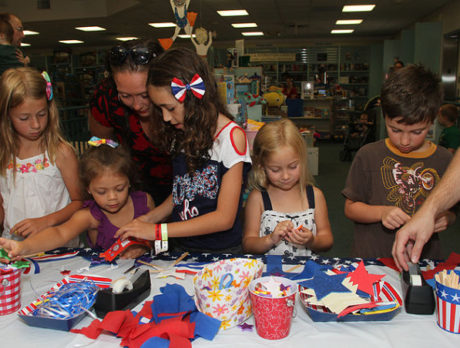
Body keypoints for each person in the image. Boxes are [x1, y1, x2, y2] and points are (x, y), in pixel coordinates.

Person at [115, 47, 252, 254]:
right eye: (159, 109)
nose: (166, 118)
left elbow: (224, 218)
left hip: (220, 252)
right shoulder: (183, 131)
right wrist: (150, 218)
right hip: (183, 245)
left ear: (194, 99)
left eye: (170, 108)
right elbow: (183, 191)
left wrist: (158, 231)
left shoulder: (231, 137)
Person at [342, 64, 455, 259]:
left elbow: (452, 212)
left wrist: (445, 218)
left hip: (423, 259)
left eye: (416, 132)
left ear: (432, 120)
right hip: (373, 258)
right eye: (395, 130)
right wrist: (381, 212)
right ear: (384, 116)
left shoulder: (446, 160)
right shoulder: (368, 155)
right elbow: (351, 208)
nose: (404, 141)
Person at [0, 142, 155, 259]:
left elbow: (160, 239)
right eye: (101, 192)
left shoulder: (145, 201)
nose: (112, 197)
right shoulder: (89, 216)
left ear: (129, 181)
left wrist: (144, 247)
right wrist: (22, 246)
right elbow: (59, 233)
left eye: (120, 188)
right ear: (88, 188)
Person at [0, 67, 82, 246]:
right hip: (13, 247)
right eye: (24, 118)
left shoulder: (60, 152)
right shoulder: (3, 156)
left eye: (41, 114)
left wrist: (45, 221)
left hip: (58, 248)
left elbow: (80, 202)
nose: (35, 124)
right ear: (7, 116)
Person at [89, 39, 172, 206]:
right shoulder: (106, 98)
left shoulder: (179, 99)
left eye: (145, 95)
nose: (137, 105)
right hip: (134, 187)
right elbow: (101, 147)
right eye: (125, 96)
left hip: (183, 184)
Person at [242, 118, 333, 256]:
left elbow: (327, 240)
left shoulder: (315, 196)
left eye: (292, 167)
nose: (285, 176)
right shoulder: (257, 198)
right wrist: (269, 239)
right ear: (262, 167)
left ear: (302, 160)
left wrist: (312, 241)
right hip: (270, 275)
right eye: (275, 169)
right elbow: (248, 244)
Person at [392, 149, 460, 270]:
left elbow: (454, 211)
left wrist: (430, 212)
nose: (405, 141)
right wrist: (430, 211)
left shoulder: (443, 157)